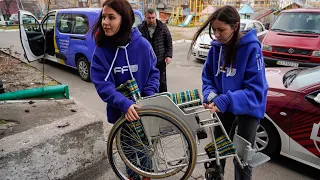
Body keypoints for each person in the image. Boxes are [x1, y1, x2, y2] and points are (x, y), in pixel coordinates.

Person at [189, 5, 268, 180]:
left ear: (236, 26)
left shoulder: (252, 49)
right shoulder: (216, 48)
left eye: (221, 30)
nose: (216, 35)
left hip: (248, 108)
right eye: (214, 30)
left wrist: (226, 100)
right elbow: (208, 78)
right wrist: (211, 96)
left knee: (242, 158)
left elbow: (255, 92)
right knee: (218, 151)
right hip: (223, 106)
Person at [90, 0, 160, 179]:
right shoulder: (102, 49)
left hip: (144, 113)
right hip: (121, 115)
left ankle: (146, 176)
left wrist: (148, 98)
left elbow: (153, 73)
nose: (105, 22)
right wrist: (124, 103)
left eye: (111, 17)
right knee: (128, 155)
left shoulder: (143, 45)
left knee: (146, 152)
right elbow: (102, 84)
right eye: (103, 17)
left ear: (125, 20)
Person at [138, 8, 172, 93]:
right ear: (145, 17)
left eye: (153, 17)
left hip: (160, 61)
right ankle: (151, 99)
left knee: (162, 82)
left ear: (156, 16)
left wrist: (168, 55)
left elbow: (169, 41)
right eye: (149, 18)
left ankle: (164, 99)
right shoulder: (140, 29)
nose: (151, 20)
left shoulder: (162, 27)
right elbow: (137, 45)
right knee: (148, 82)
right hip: (146, 61)